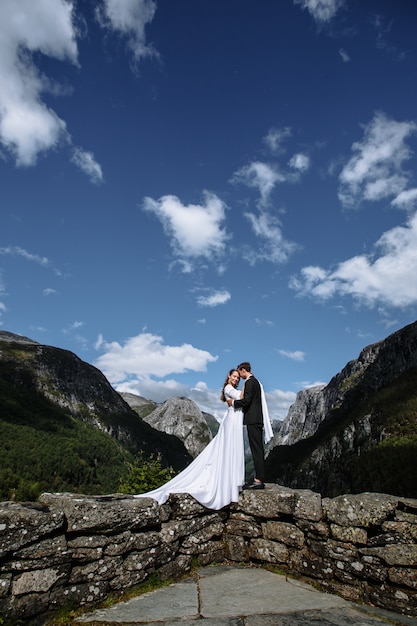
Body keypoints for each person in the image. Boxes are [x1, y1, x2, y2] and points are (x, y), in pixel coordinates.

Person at [134, 369, 245, 510]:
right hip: (230, 422)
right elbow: (240, 396)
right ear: (229, 376)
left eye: (238, 378)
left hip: (231, 421)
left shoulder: (230, 389)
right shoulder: (229, 388)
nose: (236, 379)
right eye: (234, 376)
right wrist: (249, 382)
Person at [227, 361, 273, 490]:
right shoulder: (255, 381)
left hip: (253, 420)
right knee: (257, 448)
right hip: (256, 419)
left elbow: (247, 401)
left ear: (243, 370)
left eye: (239, 372)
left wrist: (233, 403)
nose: (239, 376)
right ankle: (259, 478)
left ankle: (259, 480)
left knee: (256, 449)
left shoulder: (250, 382)